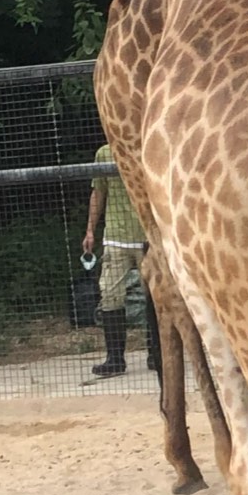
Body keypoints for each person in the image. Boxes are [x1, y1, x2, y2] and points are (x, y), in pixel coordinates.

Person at [81, 144, 159, 380]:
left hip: (148, 236)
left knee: (154, 296)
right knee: (109, 293)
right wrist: (90, 230)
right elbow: (98, 192)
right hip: (115, 236)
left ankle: (156, 353)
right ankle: (115, 358)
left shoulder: (149, 147)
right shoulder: (104, 153)